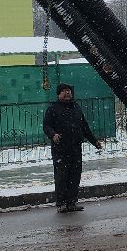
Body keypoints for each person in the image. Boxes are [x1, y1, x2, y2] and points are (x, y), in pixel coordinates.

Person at [42, 83, 103, 212]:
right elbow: (46, 126)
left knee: (75, 176)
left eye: (69, 90)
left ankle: (72, 202)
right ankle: (61, 203)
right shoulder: (53, 108)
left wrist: (94, 141)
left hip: (75, 147)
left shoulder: (76, 107)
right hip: (60, 149)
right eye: (64, 91)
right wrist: (53, 134)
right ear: (59, 94)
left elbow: (84, 127)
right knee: (62, 177)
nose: (67, 93)